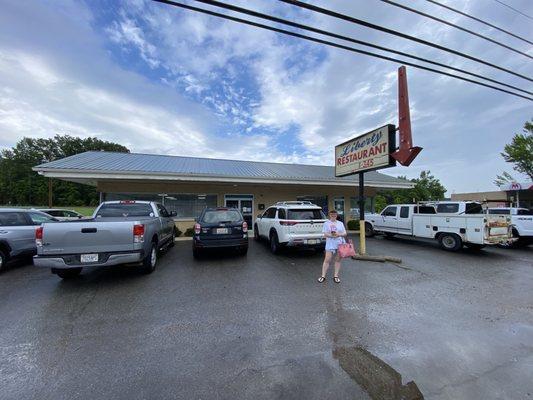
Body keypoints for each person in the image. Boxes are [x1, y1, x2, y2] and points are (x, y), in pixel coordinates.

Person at [318, 210, 347, 284]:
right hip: (330, 244)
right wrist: (331, 235)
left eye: (335, 215)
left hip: (340, 244)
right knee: (327, 260)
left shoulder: (340, 223)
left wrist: (339, 234)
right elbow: (324, 233)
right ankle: (323, 276)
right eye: (332, 215)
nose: (333, 216)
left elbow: (345, 233)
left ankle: (336, 276)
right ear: (329, 215)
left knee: (337, 260)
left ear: (336, 215)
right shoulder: (326, 223)